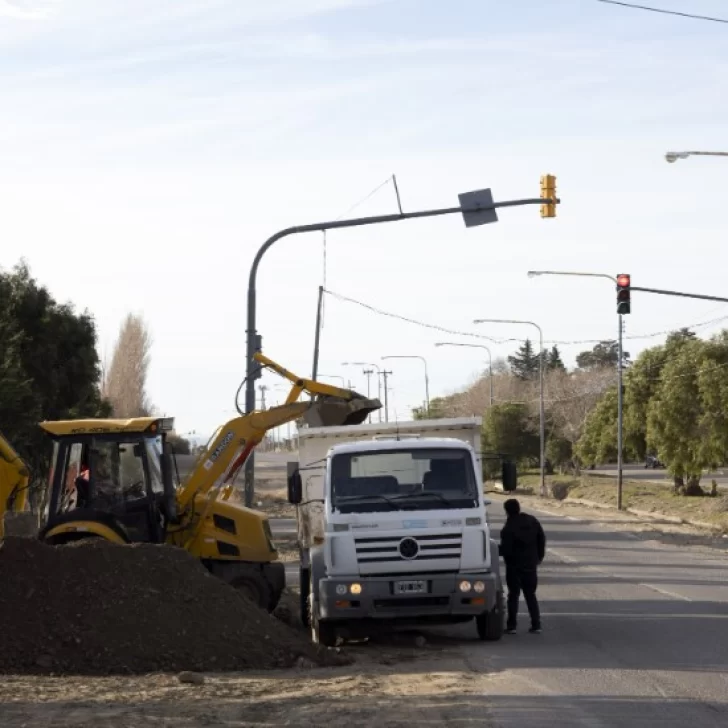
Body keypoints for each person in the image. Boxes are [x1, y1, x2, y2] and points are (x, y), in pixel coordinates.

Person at [500, 498, 545, 634]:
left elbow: (506, 550)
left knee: (513, 595)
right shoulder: (532, 521)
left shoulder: (508, 528)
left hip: (514, 566)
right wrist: (538, 557)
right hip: (531, 564)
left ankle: (512, 625)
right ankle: (536, 624)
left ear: (506, 511)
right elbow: (541, 539)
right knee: (530, 595)